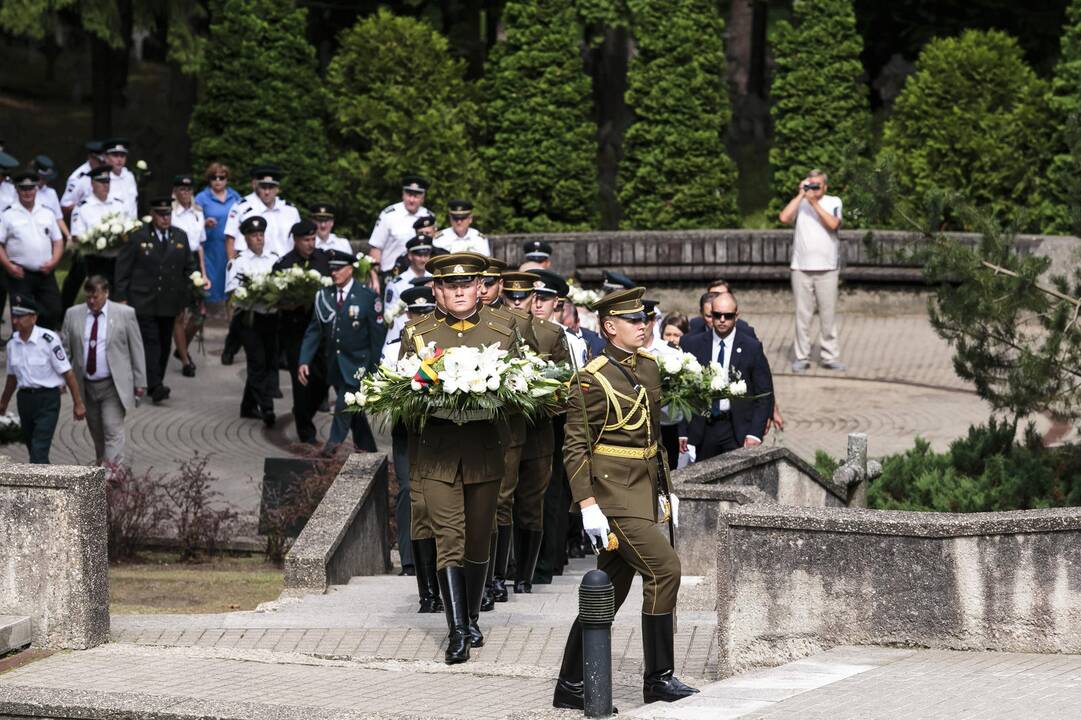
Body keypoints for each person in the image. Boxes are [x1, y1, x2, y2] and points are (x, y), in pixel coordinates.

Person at [553, 287, 698, 709]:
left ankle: (570, 684)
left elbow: (652, 438)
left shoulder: (649, 367)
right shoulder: (591, 378)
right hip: (612, 496)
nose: (643, 326)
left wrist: (665, 490)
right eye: (634, 321)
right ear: (610, 326)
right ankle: (658, 678)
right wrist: (587, 505)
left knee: (609, 592)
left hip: (642, 492)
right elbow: (575, 448)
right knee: (665, 570)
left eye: (645, 319)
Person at [398, 253, 522, 663]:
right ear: (436, 290)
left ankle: (470, 617)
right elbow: (402, 392)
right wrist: (426, 393)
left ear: (480, 288)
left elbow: (520, 387)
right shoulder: (418, 332)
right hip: (437, 453)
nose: (459, 292)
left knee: (478, 540)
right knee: (448, 539)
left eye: (466, 284)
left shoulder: (503, 330)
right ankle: (456, 632)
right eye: (450, 286)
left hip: (485, 452)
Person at [298, 249, 385, 456]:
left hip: (358, 365)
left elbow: (377, 337)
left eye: (338, 269)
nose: (334, 273)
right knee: (354, 411)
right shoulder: (324, 295)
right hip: (336, 364)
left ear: (350, 270)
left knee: (344, 404)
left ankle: (332, 445)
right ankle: (368, 450)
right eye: (332, 269)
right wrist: (304, 360)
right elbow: (314, 330)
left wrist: (374, 370)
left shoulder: (367, 297)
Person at [113, 196, 197, 405]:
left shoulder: (180, 236)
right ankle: (156, 385)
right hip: (143, 299)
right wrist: (122, 297)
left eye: (168, 214)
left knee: (164, 343)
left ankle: (154, 380)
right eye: (160, 214)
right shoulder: (137, 236)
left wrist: (191, 294)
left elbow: (189, 268)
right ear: (152, 214)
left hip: (169, 301)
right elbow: (123, 268)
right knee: (150, 343)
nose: (165, 218)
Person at [380, 286, 436, 586]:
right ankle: (409, 558)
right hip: (407, 428)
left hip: (438, 430)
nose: (421, 318)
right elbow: (384, 387)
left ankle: (436, 554)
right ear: (407, 316)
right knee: (406, 491)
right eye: (416, 313)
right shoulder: (392, 348)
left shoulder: (443, 345)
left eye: (426, 312)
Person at [678, 292, 773, 461]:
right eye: (717, 315)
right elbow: (683, 391)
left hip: (737, 428)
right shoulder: (692, 344)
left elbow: (764, 394)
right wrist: (683, 432)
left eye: (728, 316)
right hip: (704, 428)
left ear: (737, 316)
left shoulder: (751, 347)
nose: (722, 320)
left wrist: (755, 433)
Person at [60, 276, 146, 464]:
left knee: (112, 428)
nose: (91, 301)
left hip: (113, 385)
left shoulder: (125, 313)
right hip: (86, 387)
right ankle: (103, 466)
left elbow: (136, 348)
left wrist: (140, 382)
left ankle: (112, 476)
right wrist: (61, 381)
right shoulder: (73, 314)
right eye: (88, 297)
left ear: (106, 293)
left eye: (96, 297)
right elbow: (65, 351)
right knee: (97, 432)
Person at [0, 295, 86, 463]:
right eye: (14, 316)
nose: (15, 321)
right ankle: (49, 485)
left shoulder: (48, 339)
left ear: (33, 318)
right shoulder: (12, 344)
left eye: (20, 317)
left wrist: (78, 403)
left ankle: (38, 488)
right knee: (34, 448)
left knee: (38, 449)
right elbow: (12, 378)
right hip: (24, 400)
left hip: (47, 400)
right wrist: (3, 403)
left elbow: (67, 372)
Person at [779, 168, 845, 372]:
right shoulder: (801, 202)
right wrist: (801, 195)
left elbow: (833, 224)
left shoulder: (834, 201)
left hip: (827, 268)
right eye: (810, 184)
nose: (813, 188)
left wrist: (814, 202)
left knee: (828, 315)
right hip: (801, 268)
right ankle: (802, 356)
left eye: (817, 185)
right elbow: (784, 217)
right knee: (802, 316)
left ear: (825, 186)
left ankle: (830, 356)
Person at [274, 219, 330, 444]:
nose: (310, 243)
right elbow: (276, 299)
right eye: (306, 240)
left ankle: (303, 412)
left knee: (323, 378)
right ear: (296, 240)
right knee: (301, 381)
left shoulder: (323, 260)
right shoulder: (284, 265)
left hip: (320, 331)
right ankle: (306, 432)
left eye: (313, 239)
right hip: (295, 331)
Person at [227, 216, 281, 426]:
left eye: (261, 235)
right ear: (246, 238)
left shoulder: (274, 258)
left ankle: (247, 405)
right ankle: (266, 408)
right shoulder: (238, 262)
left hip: (271, 317)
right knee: (257, 362)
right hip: (248, 319)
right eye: (254, 235)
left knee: (267, 361)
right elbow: (232, 292)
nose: (258, 239)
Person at [0, 170, 64, 330]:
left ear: (36, 189)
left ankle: (41, 344)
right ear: (17, 190)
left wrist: (54, 261)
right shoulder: (8, 215)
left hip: (45, 273)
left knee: (53, 310)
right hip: (20, 274)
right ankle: (20, 349)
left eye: (31, 188)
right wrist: (8, 266)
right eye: (23, 188)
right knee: (21, 317)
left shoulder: (47, 212)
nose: (27, 192)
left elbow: (58, 241)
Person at [170, 174, 209, 378]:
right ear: (176, 191)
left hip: (192, 259)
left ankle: (181, 347)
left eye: (189, 190)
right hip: (176, 258)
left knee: (200, 313)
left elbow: (200, 244)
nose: (185, 193)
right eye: (182, 189)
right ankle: (185, 359)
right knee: (179, 313)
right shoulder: (172, 213)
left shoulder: (197, 212)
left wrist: (203, 272)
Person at [69, 165, 128, 288]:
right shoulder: (82, 208)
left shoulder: (118, 204)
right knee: (99, 296)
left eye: (107, 181)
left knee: (119, 296)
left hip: (118, 260)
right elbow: (77, 237)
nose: (105, 185)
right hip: (96, 261)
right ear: (92, 184)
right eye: (101, 182)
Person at [223, 165, 301, 259]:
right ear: (257, 186)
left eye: (271, 187)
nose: (267, 192)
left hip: (285, 264)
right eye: (263, 187)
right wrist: (232, 266)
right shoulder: (242, 208)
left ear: (277, 189)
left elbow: (299, 239)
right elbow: (230, 239)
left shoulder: (290, 211)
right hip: (252, 265)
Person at [194, 162, 242, 303]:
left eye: (222, 177)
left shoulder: (235, 197)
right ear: (209, 179)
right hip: (210, 248)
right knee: (210, 285)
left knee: (230, 282)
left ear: (227, 179)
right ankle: (210, 318)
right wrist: (204, 223)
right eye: (214, 177)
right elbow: (192, 223)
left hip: (231, 247)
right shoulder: (201, 198)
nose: (218, 181)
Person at [369, 175, 430, 273]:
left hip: (421, 276)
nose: (412, 200)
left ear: (423, 198)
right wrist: (374, 276)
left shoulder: (428, 217)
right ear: (403, 194)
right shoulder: (388, 215)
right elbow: (376, 247)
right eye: (409, 195)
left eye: (416, 196)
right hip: (391, 274)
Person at [384, 235, 433, 311]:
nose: (423, 260)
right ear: (410, 255)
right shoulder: (396, 285)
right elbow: (389, 316)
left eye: (426, 255)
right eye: (419, 255)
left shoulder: (436, 280)